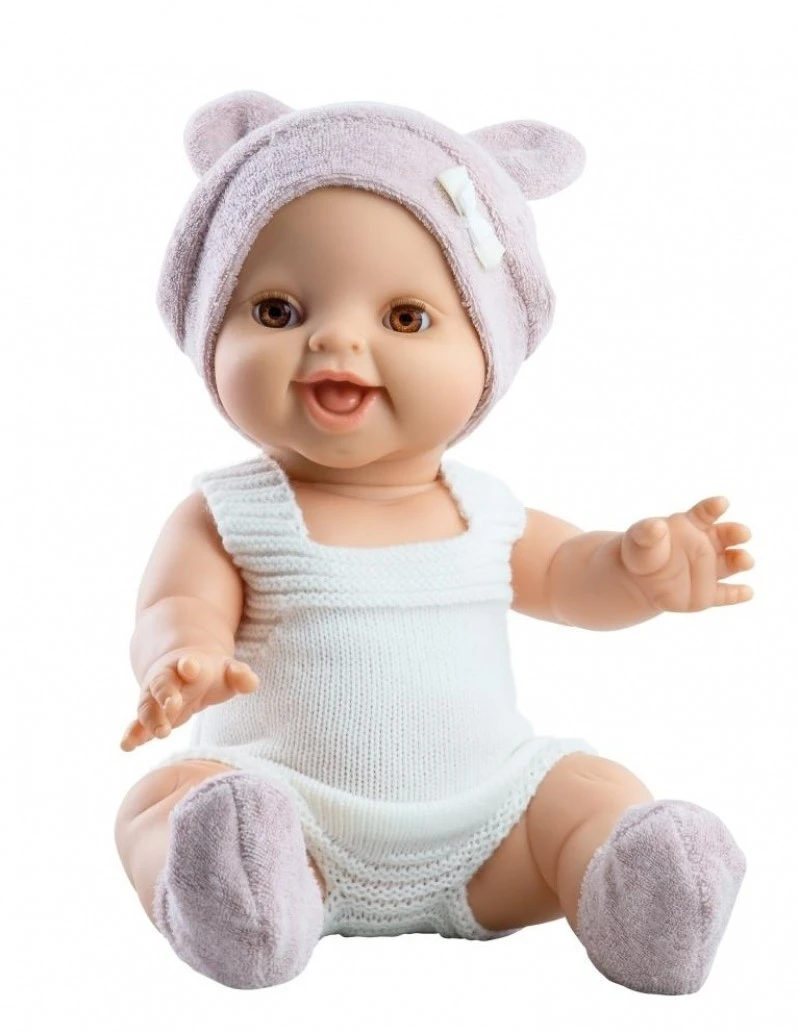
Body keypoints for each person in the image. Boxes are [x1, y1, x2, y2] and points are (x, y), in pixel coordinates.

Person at [113, 90, 752, 993]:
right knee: (161, 804)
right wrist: (183, 655)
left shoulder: (484, 509)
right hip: (287, 814)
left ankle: (637, 893)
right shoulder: (231, 511)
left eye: (405, 317)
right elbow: (178, 601)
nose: (336, 339)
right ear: (208, 329)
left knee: (589, 787)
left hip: (490, 824)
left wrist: (634, 571)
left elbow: (568, 577)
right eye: (279, 310)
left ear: (490, 353)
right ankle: (242, 901)